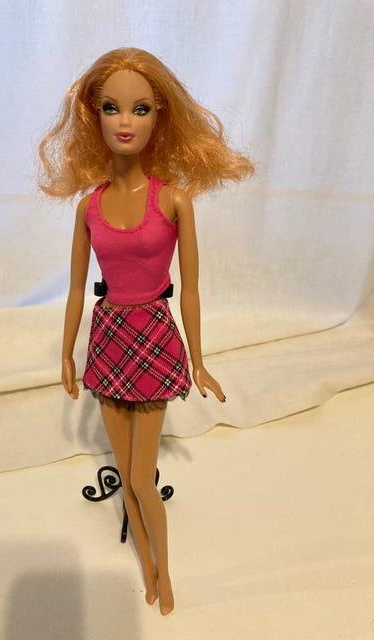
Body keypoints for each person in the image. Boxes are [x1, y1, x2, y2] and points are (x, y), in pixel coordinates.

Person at [39, 47, 253, 615]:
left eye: (140, 108)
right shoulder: (89, 208)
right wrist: (67, 353)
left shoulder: (174, 201)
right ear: (94, 117)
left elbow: (192, 290)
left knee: (140, 478)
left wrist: (199, 360)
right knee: (128, 473)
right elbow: (76, 289)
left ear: (161, 116)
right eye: (111, 108)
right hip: (108, 339)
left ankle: (165, 571)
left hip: (155, 338)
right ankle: (148, 569)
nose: (125, 121)